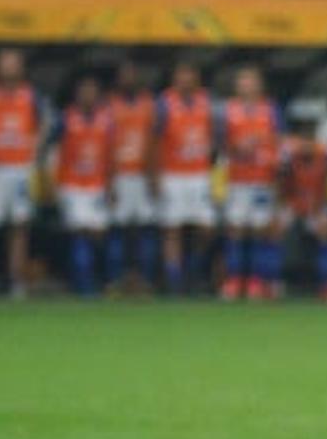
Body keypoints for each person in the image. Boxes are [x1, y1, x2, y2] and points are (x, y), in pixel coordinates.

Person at [0, 48, 42, 296]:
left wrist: (34, 154)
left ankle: (16, 280)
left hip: (20, 168)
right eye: (5, 63)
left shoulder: (30, 97)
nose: (9, 68)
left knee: (19, 226)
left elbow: (43, 124)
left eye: (13, 63)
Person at [220, 66, 284, 299]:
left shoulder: (270, 110)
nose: (247, 86)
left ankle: (257, 280)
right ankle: (234, 279)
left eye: (251, 81)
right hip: (237, 178)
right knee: (236, 229)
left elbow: (277, 141)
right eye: (243, 81)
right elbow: (220, 144)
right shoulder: (228, 110)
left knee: (259, 229)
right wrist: (236, 149)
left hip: (262, 178)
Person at [153, 61, 216, 293]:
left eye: (189, 75)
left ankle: (195, 268)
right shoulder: (164, 103)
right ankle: (174, 279)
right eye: (181, 75)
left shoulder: (206, 102)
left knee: (206, 228)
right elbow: (155, 141)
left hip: (199, 173)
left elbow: (215, 137)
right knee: (173, 228)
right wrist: (156, 176)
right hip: (173, 174)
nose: (185, 80)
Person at [50, 75, 112, 295]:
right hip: (72, 185)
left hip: (97, 185)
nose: (88, 95)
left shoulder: (106, 120)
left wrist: (110, 185)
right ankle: (82, 286)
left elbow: (110, 154)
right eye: (84, 91)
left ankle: (98, 281)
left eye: (92, 91)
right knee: (79, 234)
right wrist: (54, 184)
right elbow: (54, 153)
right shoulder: (65, 119)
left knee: (98, 234)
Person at [105, 62, 158, 291]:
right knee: (120, 228)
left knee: (143, 228)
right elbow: (104, 144)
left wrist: (154, 175)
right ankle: (118, 279)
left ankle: (143, 280)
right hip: (119, 174)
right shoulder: (110, 106)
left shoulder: (149, 105)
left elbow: (155, 142)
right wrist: (108, 180)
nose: (128, 79)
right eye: (124, 75)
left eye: (132, 74)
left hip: (143, 175)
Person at [282, 115, 327, 299]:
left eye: (310, 140)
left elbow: (326, 186)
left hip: (316, 204)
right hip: (292, 203)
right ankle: (271, 281)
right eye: (303, 140)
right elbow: (283, 185)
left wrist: (320, 210)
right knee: (272, 229)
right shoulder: (289, 158)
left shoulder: (324, 157)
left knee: (326, 231)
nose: (306, 144)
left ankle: (326, 283)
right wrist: (285, 207)